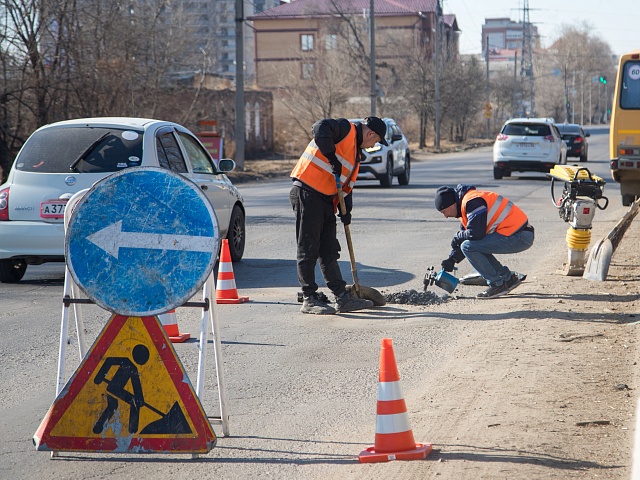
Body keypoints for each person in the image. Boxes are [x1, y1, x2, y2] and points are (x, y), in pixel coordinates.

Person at [290, 116, 387, 314]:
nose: (373, 145)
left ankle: (342, 297)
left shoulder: (356, 152)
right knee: (308, 247)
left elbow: (345, 184)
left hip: (326, 198)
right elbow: (319, 127)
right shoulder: (344, 128)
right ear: (370, 133)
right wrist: (331, 157)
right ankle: (309, 298)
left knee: (329, 249)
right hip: (307, 191)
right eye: (375, 141)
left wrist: (346, 211)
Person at [434, 184, 534, 299]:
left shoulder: (473, 202)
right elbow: (470, 237)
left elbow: (475, 233)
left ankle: (497, 284)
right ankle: (507, 278)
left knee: (469, 247)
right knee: (473, 245)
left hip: (520, 236)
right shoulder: (465, 208)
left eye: (444, 211)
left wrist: (457, 236)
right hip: (517, 234)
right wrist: (452, 259)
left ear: (451, 204)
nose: (445, 216)